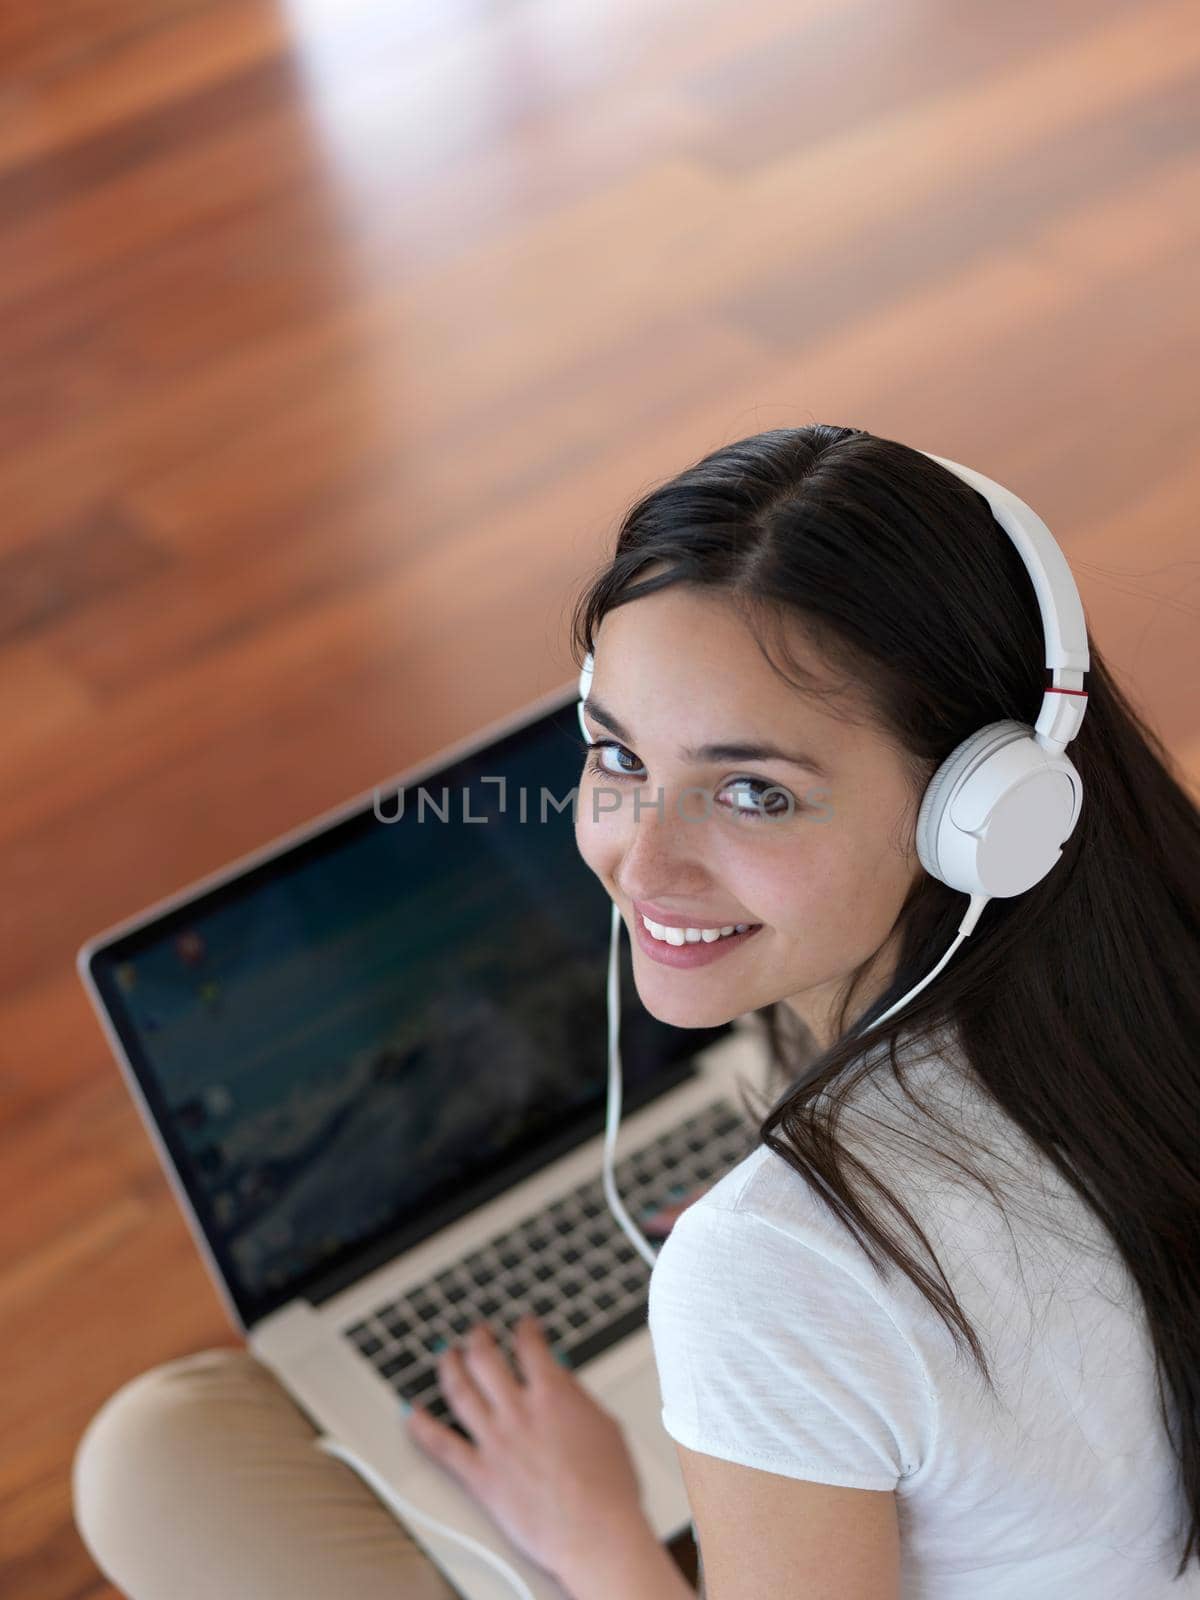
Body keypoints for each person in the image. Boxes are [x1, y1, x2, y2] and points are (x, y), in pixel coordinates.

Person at [72, 423, 1200, 1600]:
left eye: (754, 792)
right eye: (615, 755)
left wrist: (600, 1534)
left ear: (981, 809)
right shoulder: (1150, 976)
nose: (641, 865)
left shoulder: (772, 1265)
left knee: (160, 1455)